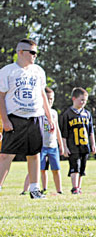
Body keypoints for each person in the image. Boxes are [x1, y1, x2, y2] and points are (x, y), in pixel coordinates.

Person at [0, 39, 55, 199]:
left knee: (34, 154)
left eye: (36, 53)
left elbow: (42, 94)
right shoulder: (7, 71)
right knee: (6, 155)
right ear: (20, 52)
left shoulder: (38, 71)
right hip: (15, 118)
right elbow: (1, 96)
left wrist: (48, 116)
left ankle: (34, 189)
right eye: (31, 52)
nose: (34, 56)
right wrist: (5, 120)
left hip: (35, 117)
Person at [21, 87, 65, 195]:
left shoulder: (54, 113)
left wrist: (61, 145)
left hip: (52, 145)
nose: (50, 101)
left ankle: (59, 190)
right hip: (40, 145)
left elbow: (57, 129)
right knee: (36, 169)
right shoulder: (37, 112)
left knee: (56, 169)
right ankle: (26, 190)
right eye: (48, 98)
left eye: (52, 99)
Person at [60, 87, 96, 194]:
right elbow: (64, 133)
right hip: (73, 145)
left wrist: (93, 144)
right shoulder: (68, 114)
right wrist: (65, 147)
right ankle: (74, 187)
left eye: (85, 101)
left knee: (82, 168)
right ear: (73, 98)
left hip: (84, 144)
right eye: (81, 100)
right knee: (75, 166)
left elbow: (91, 131)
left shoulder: (87, 114)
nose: (83, 102)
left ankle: (79, 187)